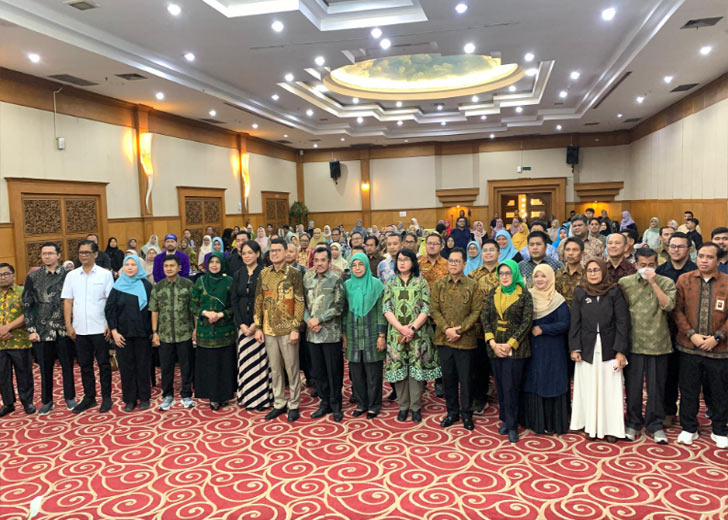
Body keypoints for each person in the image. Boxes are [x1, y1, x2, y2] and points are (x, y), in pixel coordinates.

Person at [673, 242, 728, 448]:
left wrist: (718, 337)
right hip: (689, 346)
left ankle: (719, 429)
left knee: (719, 391)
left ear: (718, 260)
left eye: (709, 257)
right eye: (701, 256)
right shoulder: (684, 280)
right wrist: (691, 334)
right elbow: (677, 311)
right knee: (688, 390)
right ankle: (689, 428)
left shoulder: (727, 282)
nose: (704, 260)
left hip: (719, 349)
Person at [618, 248, 676, 444]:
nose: (647, 268)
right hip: (633, 343)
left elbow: (668, 305)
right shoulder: (625, 283)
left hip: (658, 343)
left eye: (651, 265)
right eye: (642, 265)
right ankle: (633, 423)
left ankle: (655, 424)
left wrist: (653, 282)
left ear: (657, 264)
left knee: (656, 388)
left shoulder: (666, 282)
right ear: (635, 264)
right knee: (633, 388)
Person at [569, 258, 630, 442]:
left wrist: (620, 350)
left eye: (596, 270)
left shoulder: (614, 291)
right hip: (586, 348)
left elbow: (622, 322)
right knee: (588, 388)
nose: (593, 274)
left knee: (609, 389)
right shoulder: (580, 292)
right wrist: (574, 347)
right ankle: (590, 426)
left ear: (603, 271)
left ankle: (611, 429)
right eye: (589, 270)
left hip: (610, 347)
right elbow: (575, 322)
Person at [383, 249, 440, 422]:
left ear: (413, 262)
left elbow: (426, 308)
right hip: (396, 333)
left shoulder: (420, 282)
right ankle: (403, 406)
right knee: (399, 369)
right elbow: (386, 308)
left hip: (418, 333)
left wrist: (412, 328)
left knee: (416, 371)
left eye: (406, 259)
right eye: (399, 259)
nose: (402, 262)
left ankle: (415, 406)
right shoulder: (391, 282)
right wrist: (401, 328)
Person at [430, 248, 484, 431]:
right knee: (448, 378)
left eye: (457, 261)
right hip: (444, 339)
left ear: (464, 264)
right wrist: (447, 329)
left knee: (466, 379)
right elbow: (434, 309)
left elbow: (476, 311)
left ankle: (467, 414)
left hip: (465, 340)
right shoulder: (439, 284)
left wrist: (459, 330)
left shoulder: (472, 285)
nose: (453, 264)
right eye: (450, 261)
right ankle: (452, 412)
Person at [254, 238, 305, 422]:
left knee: (292, 369)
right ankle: (279, 402)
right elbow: (259, 301)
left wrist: (296, 328)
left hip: (288, 329)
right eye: (272, 251)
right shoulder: (264, 273)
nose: (274, 253)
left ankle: (294, 404)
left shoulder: (294, 273)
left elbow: (299, 301)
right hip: (269, 329)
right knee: (275, 369)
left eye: (278, 250)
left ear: (285, 252)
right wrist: (258, 326)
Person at [481, 260, 533, 443]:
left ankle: (512, 425)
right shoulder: (494, 292)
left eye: (508, 273)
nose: (504, 277)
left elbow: (526, 322)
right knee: (501, 386)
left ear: (515, 274)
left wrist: (510, 344)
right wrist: (492, 342)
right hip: (495, 347)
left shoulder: (524, 294)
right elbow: (485, 317)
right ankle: (505, 418)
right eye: (501, 273)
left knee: (511, 387)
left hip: (515, 350)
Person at [61, 240, 114, 414]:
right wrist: (68, 325)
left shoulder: (105, 275)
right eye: (81, 253)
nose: (83, 256)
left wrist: (109, 324)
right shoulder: (72, 275)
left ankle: (106, 397)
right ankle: (89, 397)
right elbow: (68, 301)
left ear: (95, 254)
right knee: (85, 365)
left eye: (87, 252)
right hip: (80, 328)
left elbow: (110, 301)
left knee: (104, 364)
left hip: (100, 327)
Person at [22, 243, 76, 414]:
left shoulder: (69, 275)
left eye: (50, 253)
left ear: (58, 255)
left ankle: (70, 397)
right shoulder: (33, 276)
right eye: (44, 253)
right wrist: (31, 329)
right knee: (45, 368)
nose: (47, 256)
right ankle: (47, 401)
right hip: (42, 330)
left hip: (65, 328)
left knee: (68, 365)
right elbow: (27, 304)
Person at [520, 264, 570, 434]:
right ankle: (534, 421)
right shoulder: (527, 296)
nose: (539, 280)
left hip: (552, 350)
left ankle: (552, 422)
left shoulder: (558, 300)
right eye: (536, 276)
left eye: (543, 276)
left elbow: (565, 323)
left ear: (551, 278)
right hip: (532, 348)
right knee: (533, 381)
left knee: (550, 381)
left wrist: (544, 329)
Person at [105, 255, 153, 412]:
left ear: (139, 266)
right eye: (127, 265)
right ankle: (130, 399)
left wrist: (153, 332)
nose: (130, 267)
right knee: (126, 368)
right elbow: (110, 310)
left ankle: (144, 397)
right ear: (123, 267)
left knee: (143, 366)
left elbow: (153, 310)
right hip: (122, 335)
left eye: (133, 264)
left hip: (142, 333)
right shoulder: (117, 286)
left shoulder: (146, 285)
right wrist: (114, 332)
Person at [304, 246, 346, 422]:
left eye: (323, 260)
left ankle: (336, 404)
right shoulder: (307, 279)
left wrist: (319, 319)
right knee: (318, 371)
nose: (319, 264)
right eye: (316, 260)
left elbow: (339, 307)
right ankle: (324, 402)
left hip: (331, 334)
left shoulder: (336, 278)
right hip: (312, 334)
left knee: (334, 371)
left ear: (329, 261)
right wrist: (309, 320)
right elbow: (303, 304)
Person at [149, 254, 196, 411]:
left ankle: (186, 394)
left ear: (179, 268)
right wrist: (155, 332)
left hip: (184, 332)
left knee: (186, 365)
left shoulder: (188, 285)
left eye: (172, 266)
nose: (169, 268)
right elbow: (154, 310)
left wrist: (196, 328)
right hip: (164, 334)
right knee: (166, 366)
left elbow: (194, 309)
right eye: (166, 266)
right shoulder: (158, 287)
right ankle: (167, 395)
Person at [343, 253, 386, 419]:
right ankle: (361, 403)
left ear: (367, 265)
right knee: (356, 374)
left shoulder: (376, 284)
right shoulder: (347, 285)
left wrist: (381, 335)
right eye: (354, 265)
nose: (357, 268)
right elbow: (344, 312)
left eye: (361, 264)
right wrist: (344, 335)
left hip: (372, 334)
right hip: (353, 335)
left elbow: (381, 312)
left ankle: (374, 405)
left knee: (373, 373)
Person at [191, 252, 236, 411]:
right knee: (209, 365)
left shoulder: (230, 281)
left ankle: (225, 395)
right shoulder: (200, 281)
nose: (214, 265)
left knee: (224, 364)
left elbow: (234, 306)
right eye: (211, 262)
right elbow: (193, 304)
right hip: (205, 332)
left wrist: (221, 314)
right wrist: (205, 313)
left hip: (225, 331)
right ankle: (213, 397)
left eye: (218, 262)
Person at [231, 241, 272, 411]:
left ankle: (261, 399)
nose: (247, 256)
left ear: (257, 254)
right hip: (243, 327)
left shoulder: (265, 273)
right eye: (244, 253)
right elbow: (234, 300)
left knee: (260, 363)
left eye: (250, 252)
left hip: (260, 327)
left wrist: (256, 324)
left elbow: (268, 301)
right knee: (245, 362)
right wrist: (241, 324)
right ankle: (247, 397)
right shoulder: (238, 274)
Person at [468, 238, 500, 413]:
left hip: (501, 328)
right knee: (479, 365)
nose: (488, 253)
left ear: (498, 253)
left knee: (500, 365)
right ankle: (480, 397)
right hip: (479, 328)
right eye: (485, 250)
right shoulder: (474, 275)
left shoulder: (505, 272)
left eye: (491, 250)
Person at [0, 263, 35, 417]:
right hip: (0, 343)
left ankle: (27, 402)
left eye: (6, 274)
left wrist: (8, 328)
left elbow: (28, 313)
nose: (2, 277)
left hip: (19, 340)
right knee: (2, 375)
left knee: (24, 373)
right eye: (0, 275)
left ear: (13, 276)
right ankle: (8, 403)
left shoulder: (23, 292)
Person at [554, 237, 585, 307]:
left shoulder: (588, 273)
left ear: (582, 253)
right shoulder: (557, 274)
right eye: (567, 250)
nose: (570, 253)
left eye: (575, 250)